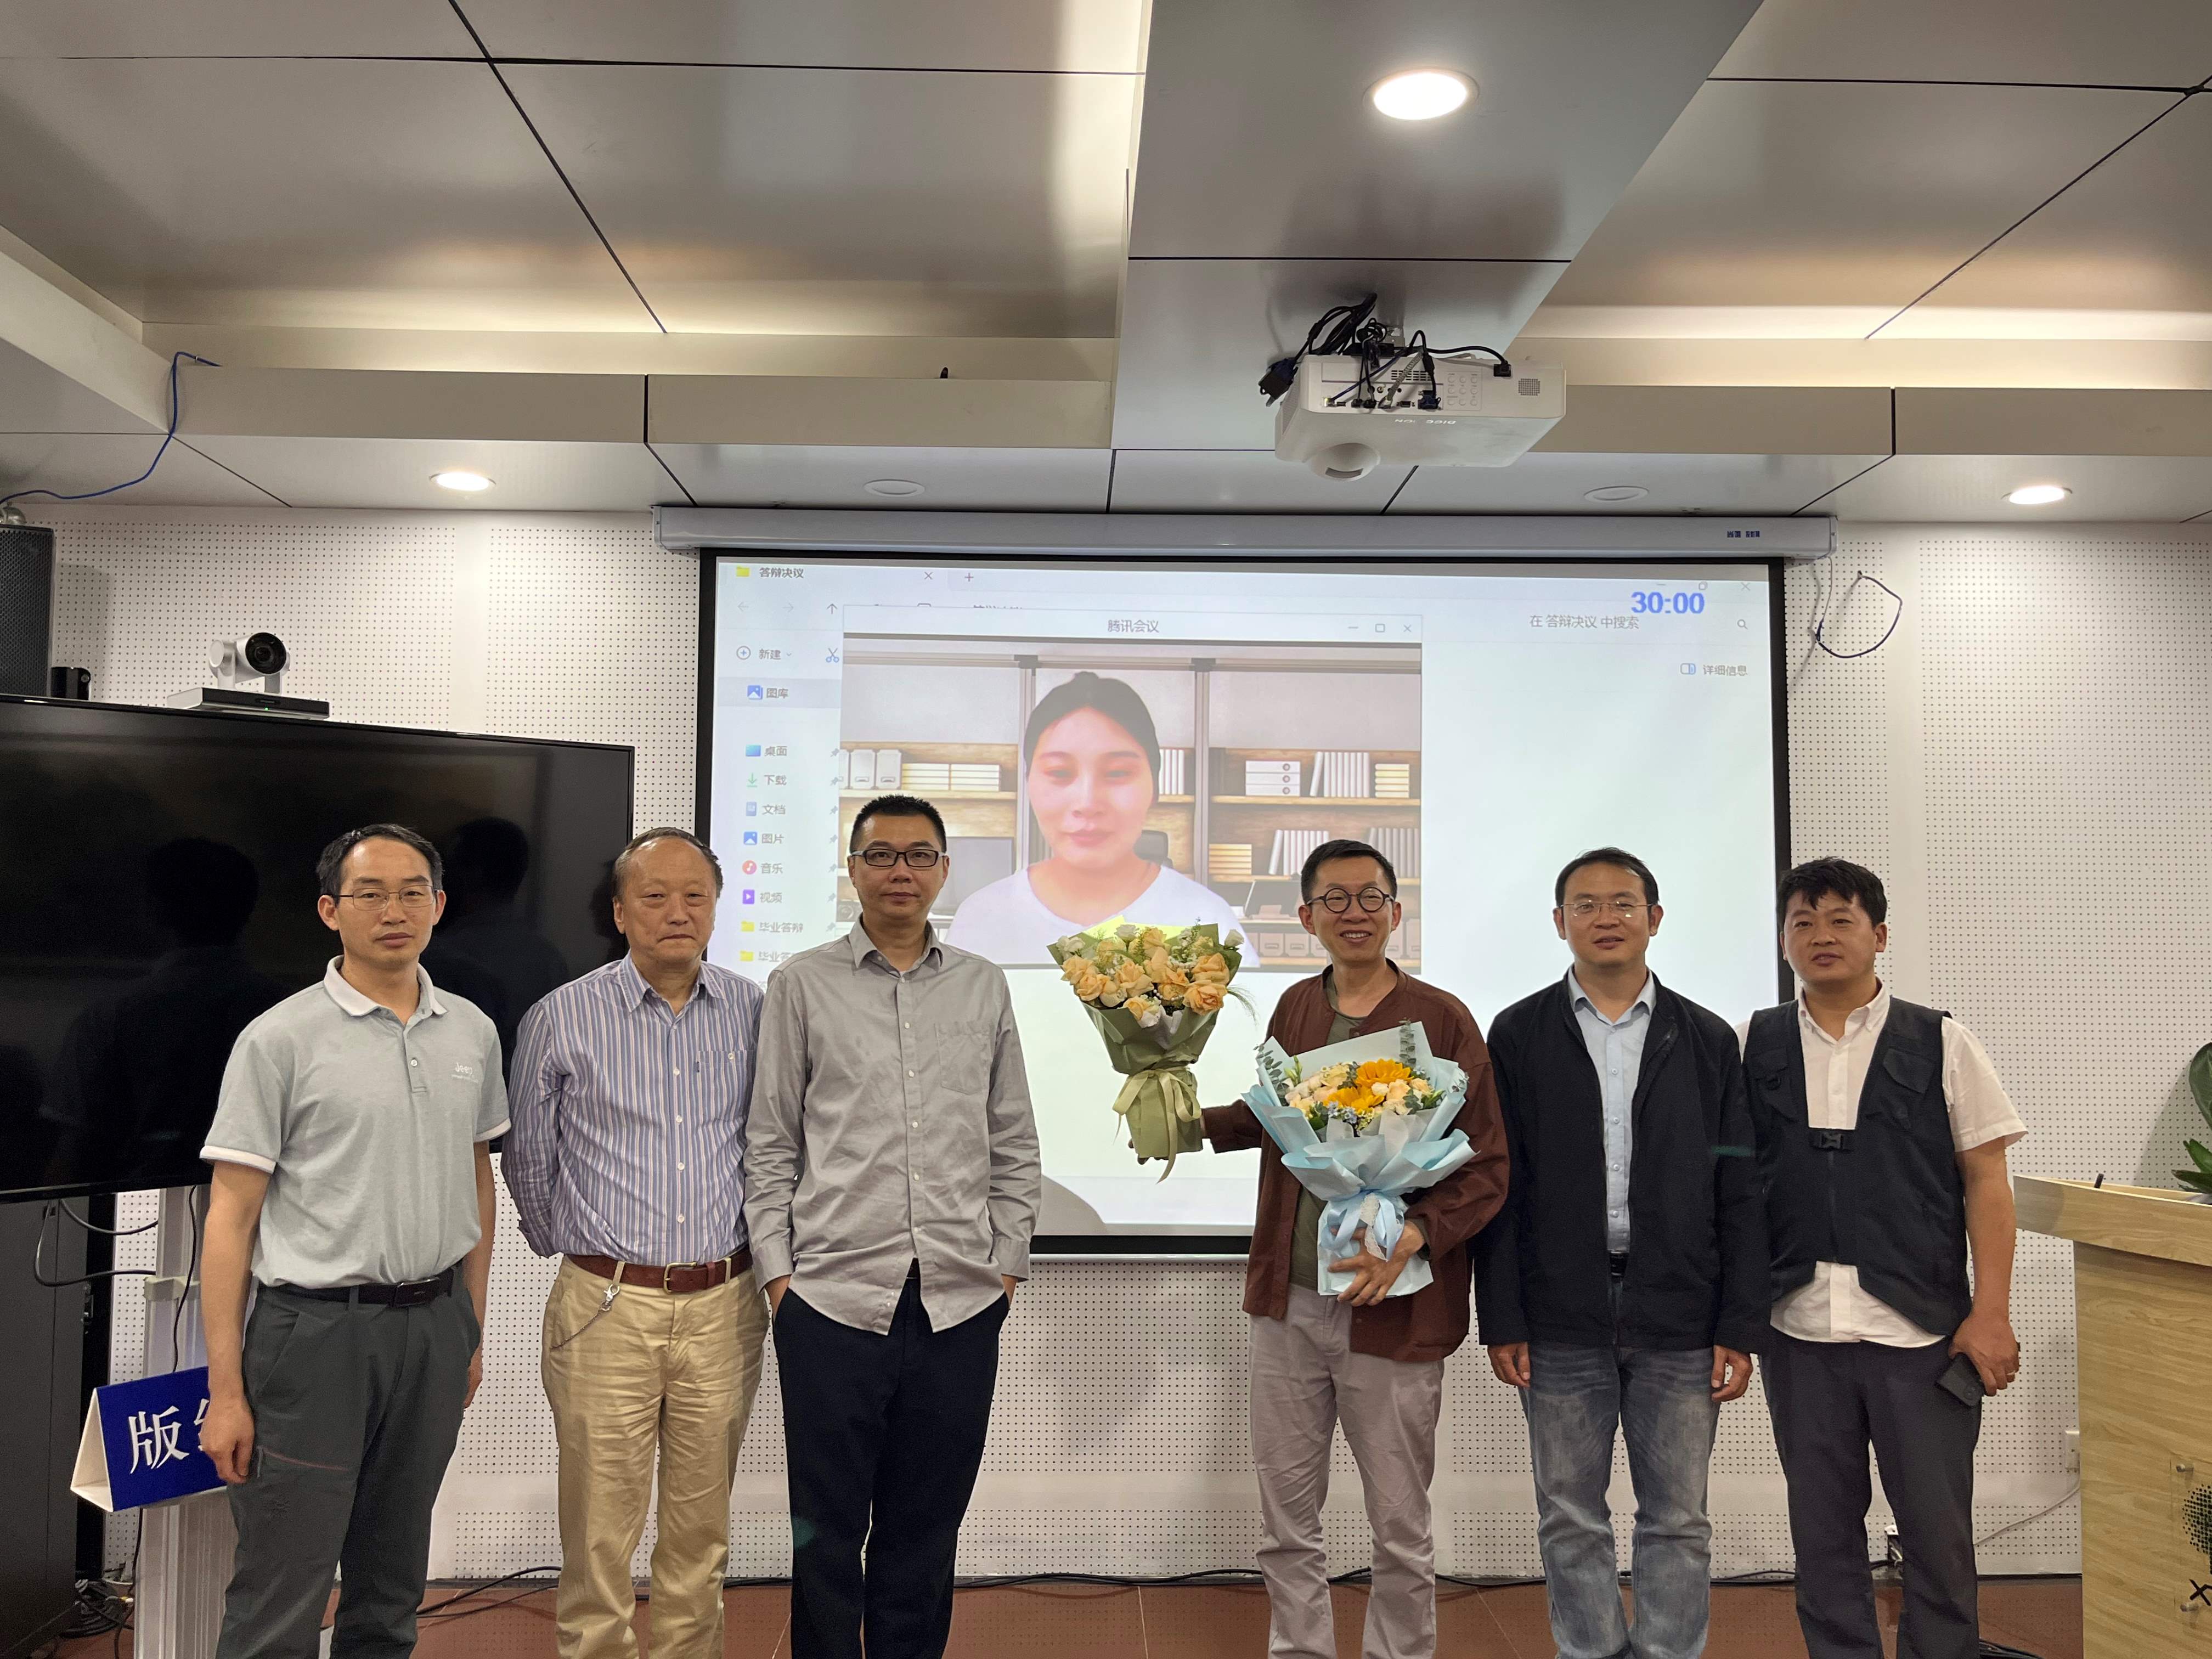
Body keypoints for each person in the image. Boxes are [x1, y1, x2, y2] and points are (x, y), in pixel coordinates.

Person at [196, 823, 505, 1659]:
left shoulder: (471, 1031)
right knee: (282, 1586)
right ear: (331, 911)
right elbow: (231, 1218)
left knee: (393, 1585)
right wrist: (226, 1390)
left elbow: (476, 1180)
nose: (393, 911)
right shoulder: (279, 1039)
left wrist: (470, 1327)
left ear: (439, 905)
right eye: (369, 894)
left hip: (433, 1327)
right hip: (313, 1337)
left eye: (412, 893)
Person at [745, 793, 1041, 1659]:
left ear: (944, 870)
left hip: (959, 1302)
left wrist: (1006, 1267)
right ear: (853, 870)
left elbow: (1013, 1137)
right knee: (825, 1530)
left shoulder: (982, 985)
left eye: (918, 855)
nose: (900, 871)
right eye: (881, 855)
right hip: (830, 1301)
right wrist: (780, 1280)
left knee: (926, 1528)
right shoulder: (801, 984)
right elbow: (771, 1141)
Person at [1199, 837, 1509, 1659]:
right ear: (1307, 918)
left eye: (1370, 897)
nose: (1354, 913)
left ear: (1396, 912)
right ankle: (1299, 1650)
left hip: (1396, 1310)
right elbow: (1281, 1119)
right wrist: (1190, 1124)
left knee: (1400, 1525)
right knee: (1286, 1522)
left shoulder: (1442, 1018)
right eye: (1334, 899)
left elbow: (1487, 1166)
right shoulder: (1295, 1007)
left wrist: (1414, 1235)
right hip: (1291, 1302)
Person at [1474, 848, 1767, 1659]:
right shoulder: (1519, 1032)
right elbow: (1499, 1185)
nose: (1605, 918)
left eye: (1623, 903)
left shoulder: (1706, 1038)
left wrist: (1739, 1325)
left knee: (1679, 1519)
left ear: (1655, 918)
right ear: (1559, 921)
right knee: (1570, 1516)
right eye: (1586, 904)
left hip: (1680, 1310)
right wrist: (1502, 1316)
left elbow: (1739, 1189)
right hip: (1558, 1310)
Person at [1741, 858, 2024, 1659]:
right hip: (1798, 1329)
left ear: (1880, 935)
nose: (1821, 935)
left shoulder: (1941, 1040)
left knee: (1938, 1533)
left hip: (1922, 1331)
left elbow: (1987, 1183)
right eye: (1803, 922)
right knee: (1822, 1533)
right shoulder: (1753, 1042)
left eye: (1841, 919)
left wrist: (1990, 1313)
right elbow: (1730, 1185)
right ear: (1785, 940)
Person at [504, 828, 768, 1659]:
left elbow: (776, 1147)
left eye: (695, 896)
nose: (676, 912)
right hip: (605, 1306)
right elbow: (528, 1156)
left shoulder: (756, 1012)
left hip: (725, 1303)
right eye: (654, 897)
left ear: (716, 909)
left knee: (701, 1530)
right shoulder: (562, 1016)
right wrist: (576, 1250)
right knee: (598, 1532)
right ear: (620, 913)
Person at [946, 671, 1237, 963]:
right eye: (1059, 772)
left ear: (1155, 786)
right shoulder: (982, 918)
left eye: (1118, 773)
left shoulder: (1205, 918)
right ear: (1029, 785)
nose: (1087, 803)